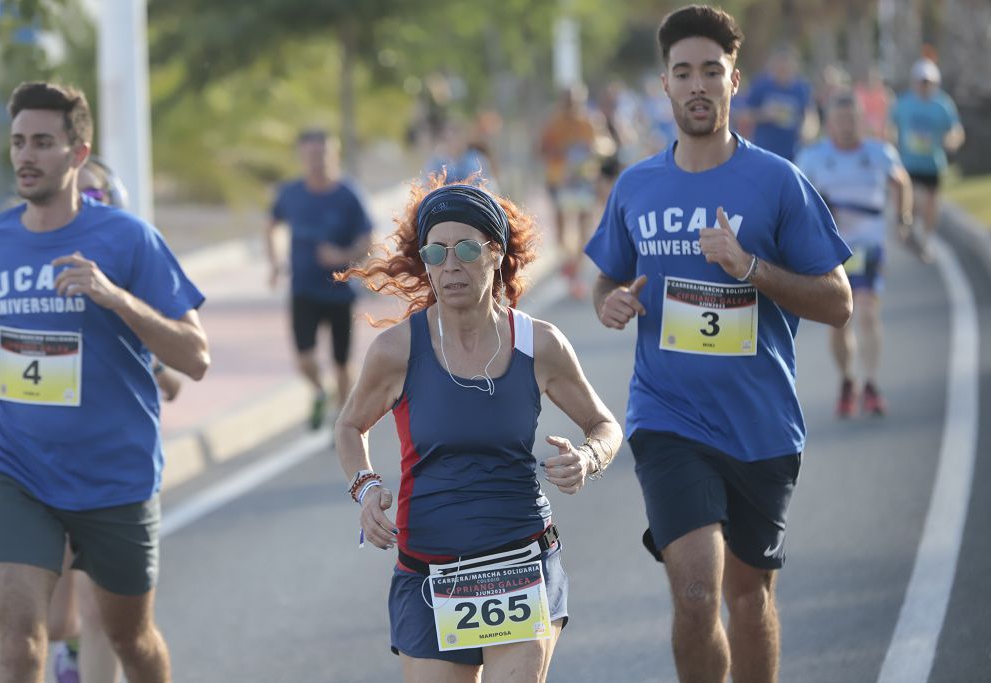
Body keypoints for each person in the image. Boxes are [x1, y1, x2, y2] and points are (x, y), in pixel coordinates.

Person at [584, 7, 852, 682]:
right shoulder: (637, 186)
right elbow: (605, 280)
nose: (697, 85)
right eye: (683, 73)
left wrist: (751, 269)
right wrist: (609, 303)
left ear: (735, 79)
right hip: (668, 415)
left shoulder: (777, 182)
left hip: (762, 422)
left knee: (746, 594)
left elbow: (840, 302)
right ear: (666, 85)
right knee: (698, 590)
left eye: (711, 70)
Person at [0, 82, 209, 682]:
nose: (26, 155)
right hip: (13, 463)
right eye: (19, 142)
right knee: (20, 641)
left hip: (113, 473)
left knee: (131, 638)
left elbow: (196, 355)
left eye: (43, 143)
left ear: (78, 153)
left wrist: (115, 296)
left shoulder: (127, 239)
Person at [333, 181, 622, 682]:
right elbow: (349, 426)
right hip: (428, 571)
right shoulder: (397, 350)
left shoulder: (539, 343)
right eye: (436, 252)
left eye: (467, 249)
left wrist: (589, 457)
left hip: (520, 565)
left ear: (496, 254)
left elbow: (605, 424)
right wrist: (366, 487)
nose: (451, 265)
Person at [47, 157, 186, 683]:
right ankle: (73, 652)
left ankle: (87, 659)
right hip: (46, 465)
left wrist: (141, 353)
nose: (83, 204)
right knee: (59, 621)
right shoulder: (46, 281)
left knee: (100, 613)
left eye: (96, 196)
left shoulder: (129, 285)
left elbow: (176, 377)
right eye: (73, 194)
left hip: (112, 472)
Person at [796, 91, 913, 418]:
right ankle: (848, 380)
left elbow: (901, 183)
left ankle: (872, 384)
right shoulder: (813, 157)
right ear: (828, 124)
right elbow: (798, 199)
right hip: (832, 252)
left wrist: (903, 220)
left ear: (863, 121)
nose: (847, 127)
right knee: (839, 321)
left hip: (868, 245)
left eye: (853, 120)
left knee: (866, 311)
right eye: (840, 120)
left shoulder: (879, 153)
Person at [266, 129, 373, 430]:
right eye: (310, 154)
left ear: (334, 154)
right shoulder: (291, 193)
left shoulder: (348, 194)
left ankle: (343, 423)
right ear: (302, 156)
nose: (317, 160)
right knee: (304, 359)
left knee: (342, 363)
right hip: (303, 289)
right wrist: (275, 264)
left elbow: (367, 241)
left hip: (340, 291)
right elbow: (270, 226)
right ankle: (319, 390)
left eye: (322, 154)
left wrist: (341, 256)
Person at [889, 58, 965, 263]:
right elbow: (890, 125)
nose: (924, 86)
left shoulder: (942, 104)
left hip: (933, 163)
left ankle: (927, 237)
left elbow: (956, 129)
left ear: (935, 82)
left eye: (928, 82)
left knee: (931, 203)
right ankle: (909, 229)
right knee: (911, 200)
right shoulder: (904, 103)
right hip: (909, 162)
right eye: (921, 81)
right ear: (914, 82)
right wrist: (891, 140)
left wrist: (952, 140)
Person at [539, 84, 599, 299]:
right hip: (559, 180)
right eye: (569, 101)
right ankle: (568, 262)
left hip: (582, 180)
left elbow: (598, 146)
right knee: (562, 225)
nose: (573, 106)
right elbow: (542, 149)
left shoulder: (589, 122)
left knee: (585, 224)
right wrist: (562, 152)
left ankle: (575, 266)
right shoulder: (554, 123)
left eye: (576, 101)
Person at [745, 45, 816, 162]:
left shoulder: (801, 88)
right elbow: (745, 114)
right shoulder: (762, 85)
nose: (783, 69)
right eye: (779, 65)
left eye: (787, 65)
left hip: (793, 153)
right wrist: (764, 114)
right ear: (772, 65)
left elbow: (810, 115)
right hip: (765, 150)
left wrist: (808, 131)